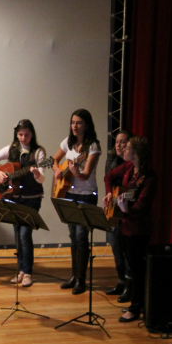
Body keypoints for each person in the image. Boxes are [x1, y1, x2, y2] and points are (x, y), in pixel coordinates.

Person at [0, 119, 46, 287]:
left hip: (32, 199)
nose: (23, 138)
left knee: (26, 234)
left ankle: (28, 273)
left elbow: (42, 179)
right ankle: (20, 270)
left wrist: (35, 174)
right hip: (14, 198)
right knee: (18, 235)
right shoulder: (11, 149)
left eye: (26, 135)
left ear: (32, 134)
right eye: (20, 134)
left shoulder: (39, 152)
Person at [103, 136, 157, 323]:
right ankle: (136, 302)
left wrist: (127, 209)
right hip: (124, 226)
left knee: (136, 269)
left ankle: (136, 307)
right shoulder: (128, 168)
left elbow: (142, 206)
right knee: (132, 267)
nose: (123, 149)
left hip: (138, 229)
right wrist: (110, 193)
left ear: (136, 153)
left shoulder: (149, 177)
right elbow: (109, 176)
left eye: (127, 147)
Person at [52, 109, 101, 295]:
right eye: (73, 122)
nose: (74, 126)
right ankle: (74, 275)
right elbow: (55, 160)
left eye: (79, 122)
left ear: (86, 125)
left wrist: (75, 172)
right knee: (73, 235)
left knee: (82, 236)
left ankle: (81, 279)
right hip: (69, 193)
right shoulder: (68, 142)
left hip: (87, 194)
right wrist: (57, 170)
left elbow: (86, 174)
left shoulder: (93, 146)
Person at [104, 130, 133, 301]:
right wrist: (109, 193)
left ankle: (130, 284)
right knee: (115, 246)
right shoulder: (112, 159)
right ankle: (121, 281)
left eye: (123, 142)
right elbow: (108, 178)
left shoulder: (133, 164)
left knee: (127, 249)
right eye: (117, 142)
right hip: (114, 208)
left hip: (127, 209)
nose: (119, 145)